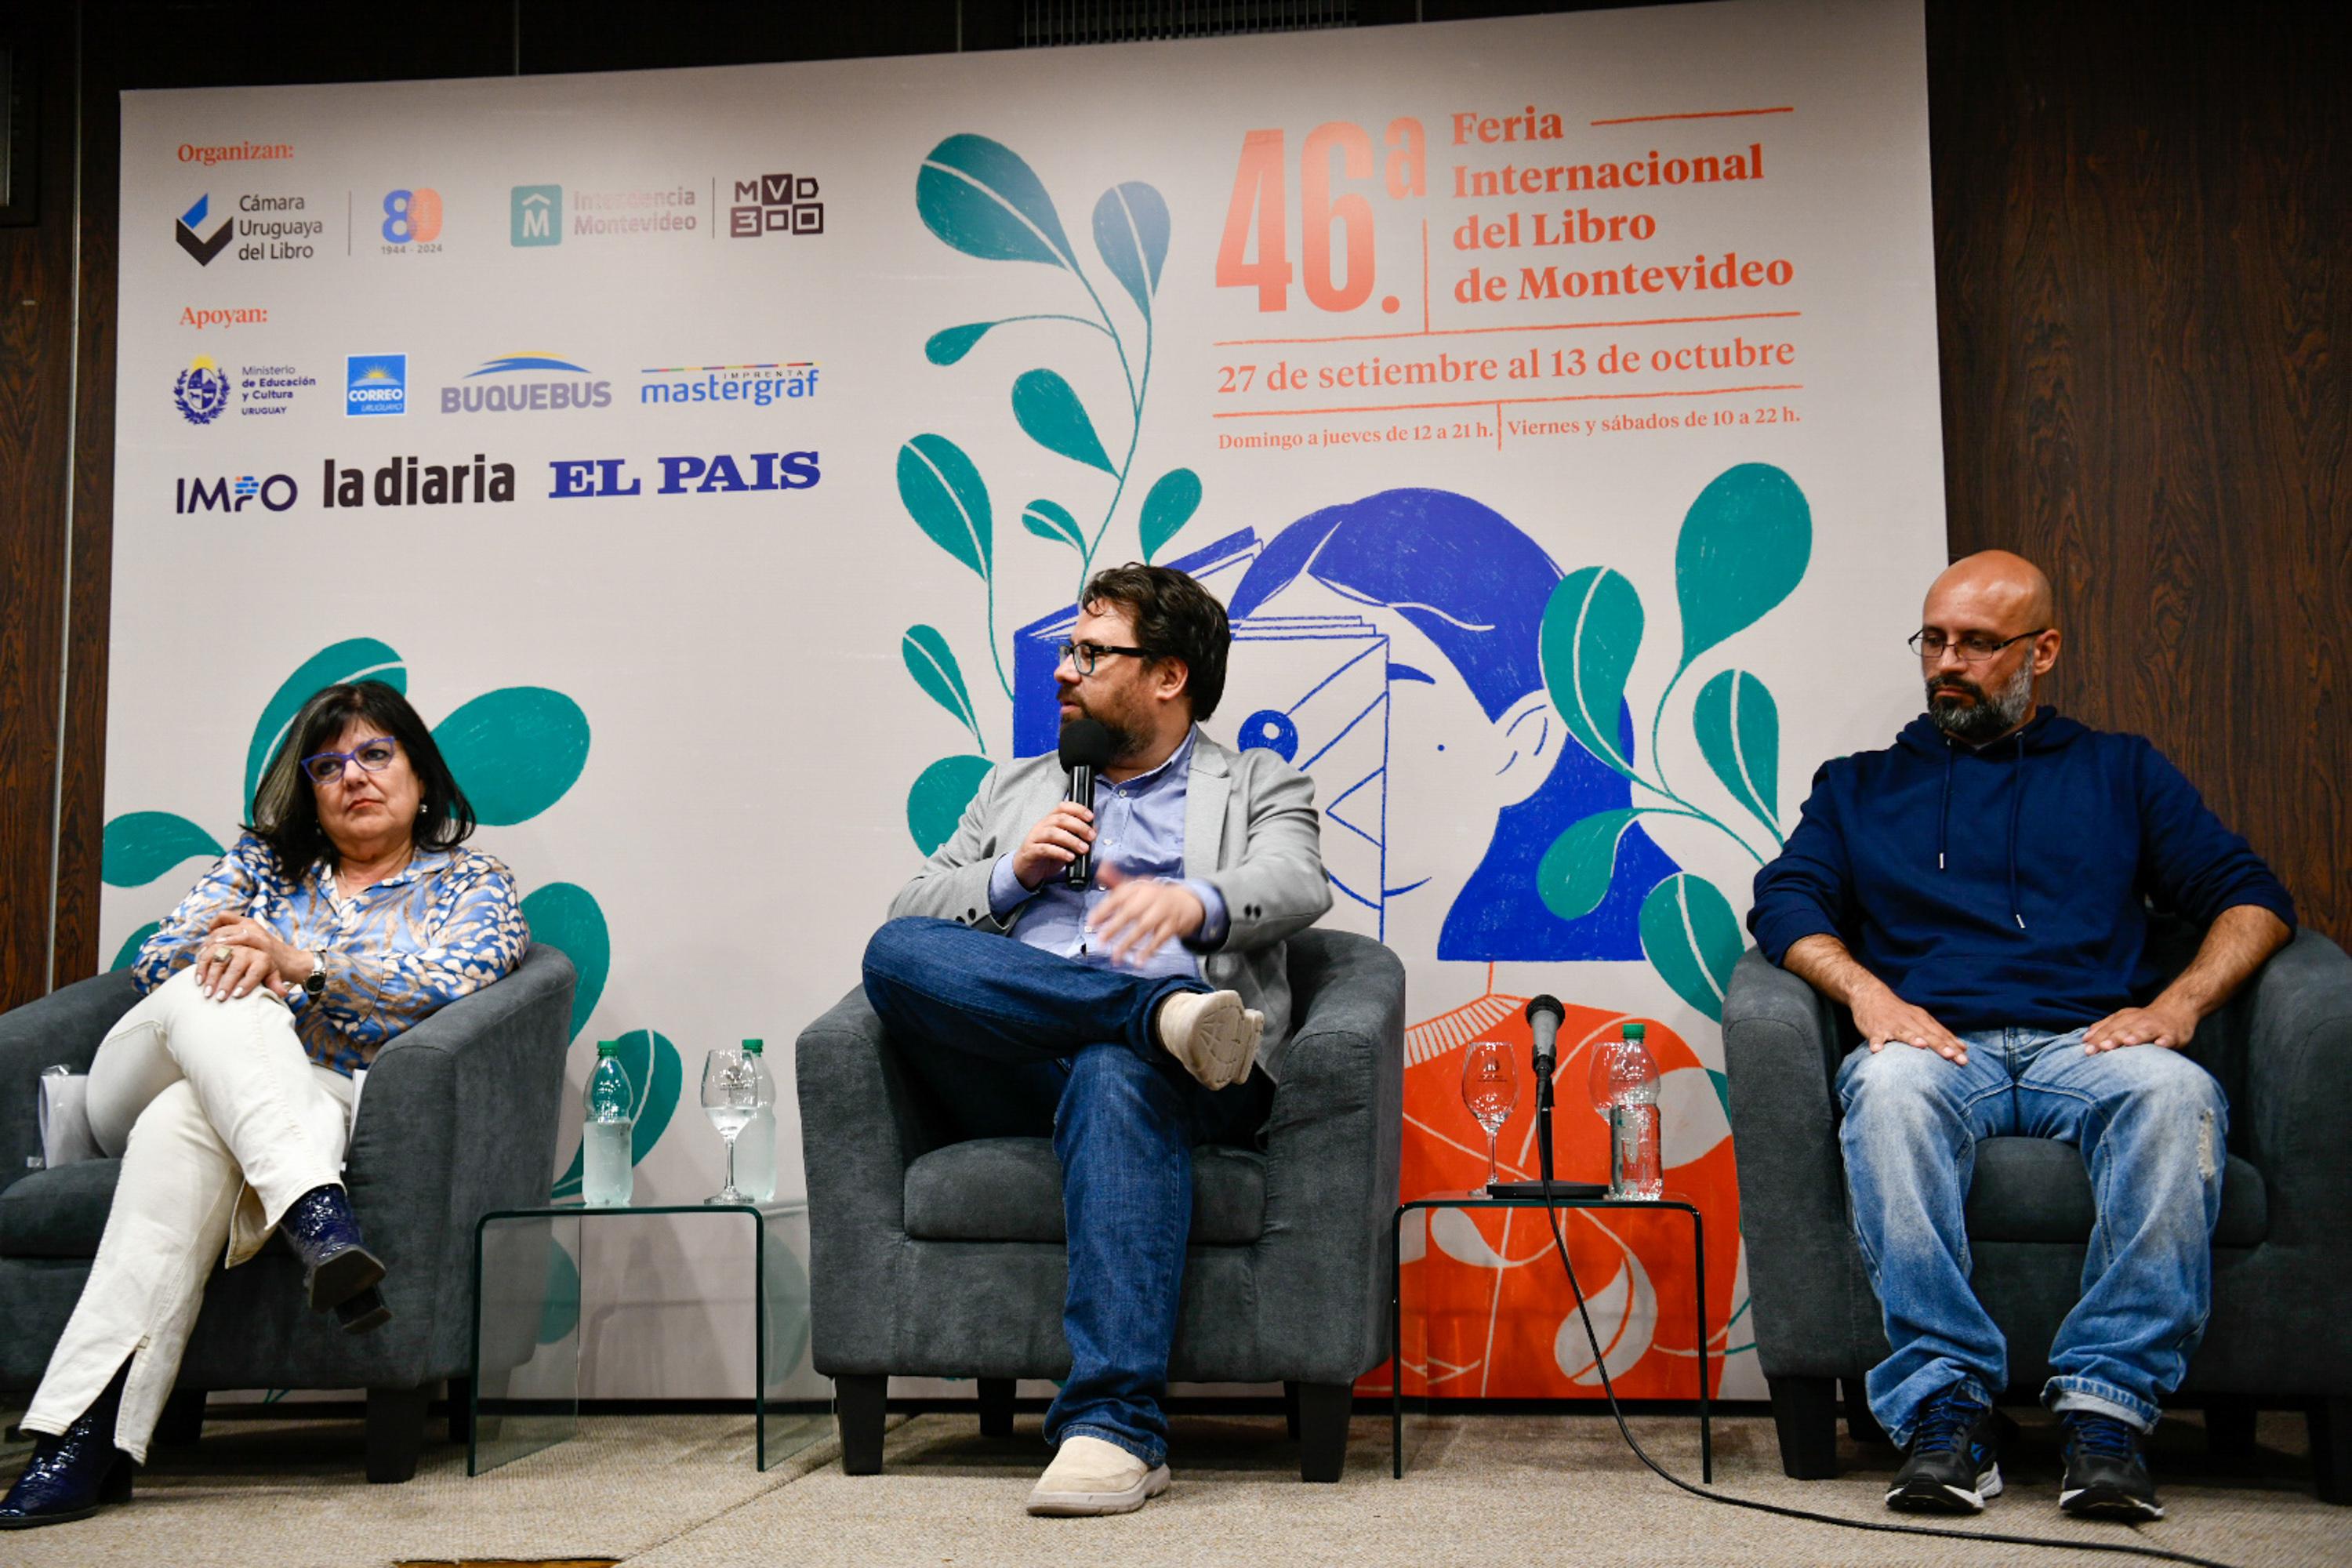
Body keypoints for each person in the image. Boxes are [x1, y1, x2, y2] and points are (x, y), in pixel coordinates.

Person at [1748, 550, 2295, 1523]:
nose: (1946, 662)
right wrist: (1868, 994)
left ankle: (2109, 1409)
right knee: (1884, 1092)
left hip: (2082, 1046)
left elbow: (2251, 897)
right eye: (1934, 639)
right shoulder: (1860, 786)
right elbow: (1785, 899)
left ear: (2041, 650)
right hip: (1936, 1044)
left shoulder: (2120, 769)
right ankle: (1945, 1408)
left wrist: (2182, 1004)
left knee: (2175, 1094)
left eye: (1977, 643)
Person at [0, 681, 528, 1530]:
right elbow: (161, 956)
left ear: (421, 776)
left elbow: (457, 982)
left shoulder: (474, 883)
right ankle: (315, 1209)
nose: (352, 775)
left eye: (375, 754)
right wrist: (244, 952)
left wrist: (302, 960)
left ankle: (82, 1433)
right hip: (155, 1067)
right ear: (311, 793)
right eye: (328, 764)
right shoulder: (260, 862)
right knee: (220, 987)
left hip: (307, 1090)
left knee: (189, 1131)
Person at [862, 562, 1330, 1516]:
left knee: (1119, 1070)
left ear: (1168, 676)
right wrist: (1009, 876)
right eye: (1065, 651)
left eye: (1089, 652)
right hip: (1031, 1056)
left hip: (1198, 1073)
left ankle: (1114, 1428)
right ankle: (1147, 1011)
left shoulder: (1255, 782)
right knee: (896, 950)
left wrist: (1189, 902)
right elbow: (914, 910)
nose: (1062, 672)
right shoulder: (1013, 788)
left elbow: (1294, 882)